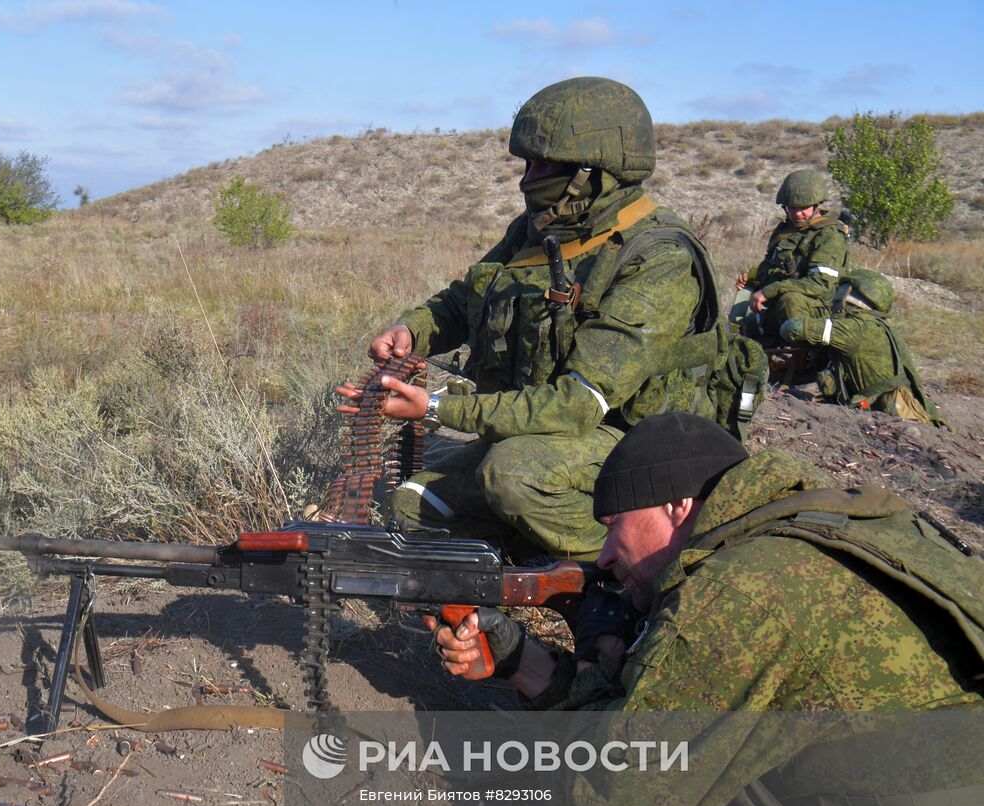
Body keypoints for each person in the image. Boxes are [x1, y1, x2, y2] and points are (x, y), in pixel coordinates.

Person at [429, 412, 983, 806]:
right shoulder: (840, 528)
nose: (603, 556)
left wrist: (592, 687)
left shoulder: (742, 590)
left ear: (677, 505)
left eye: (615, 524)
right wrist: (531, 666)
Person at [336, 76, 724, 562]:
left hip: (638, 443)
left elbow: (579, 404)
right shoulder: (538, 229)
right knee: (416, 506)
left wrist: (436, 408)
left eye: (546, 165)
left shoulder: (659, 258)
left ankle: (625, 576)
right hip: (553, 433)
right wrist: (413, 330)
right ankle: (519, 581)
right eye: (528, 162)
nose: (529, 176)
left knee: (511, 473)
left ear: (594, 171)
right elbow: (468, 297)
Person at [779, 269, 945, 426]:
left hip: (890, 416)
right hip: (890, 410)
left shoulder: (856, 327)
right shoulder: (877, 325)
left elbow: (793, 328)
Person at [734, 169, 851, 340]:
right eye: (791, 208)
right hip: (777, 307)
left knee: (790, 300)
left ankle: (799, 356)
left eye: (804, 208)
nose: (797, 214)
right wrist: (753, 278)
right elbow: (776, 266)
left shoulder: (830, 235)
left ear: (817, 205)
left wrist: (769, 291)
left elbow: (820, 284)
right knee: (741, 328)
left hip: (817, 309)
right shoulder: (785, 231)